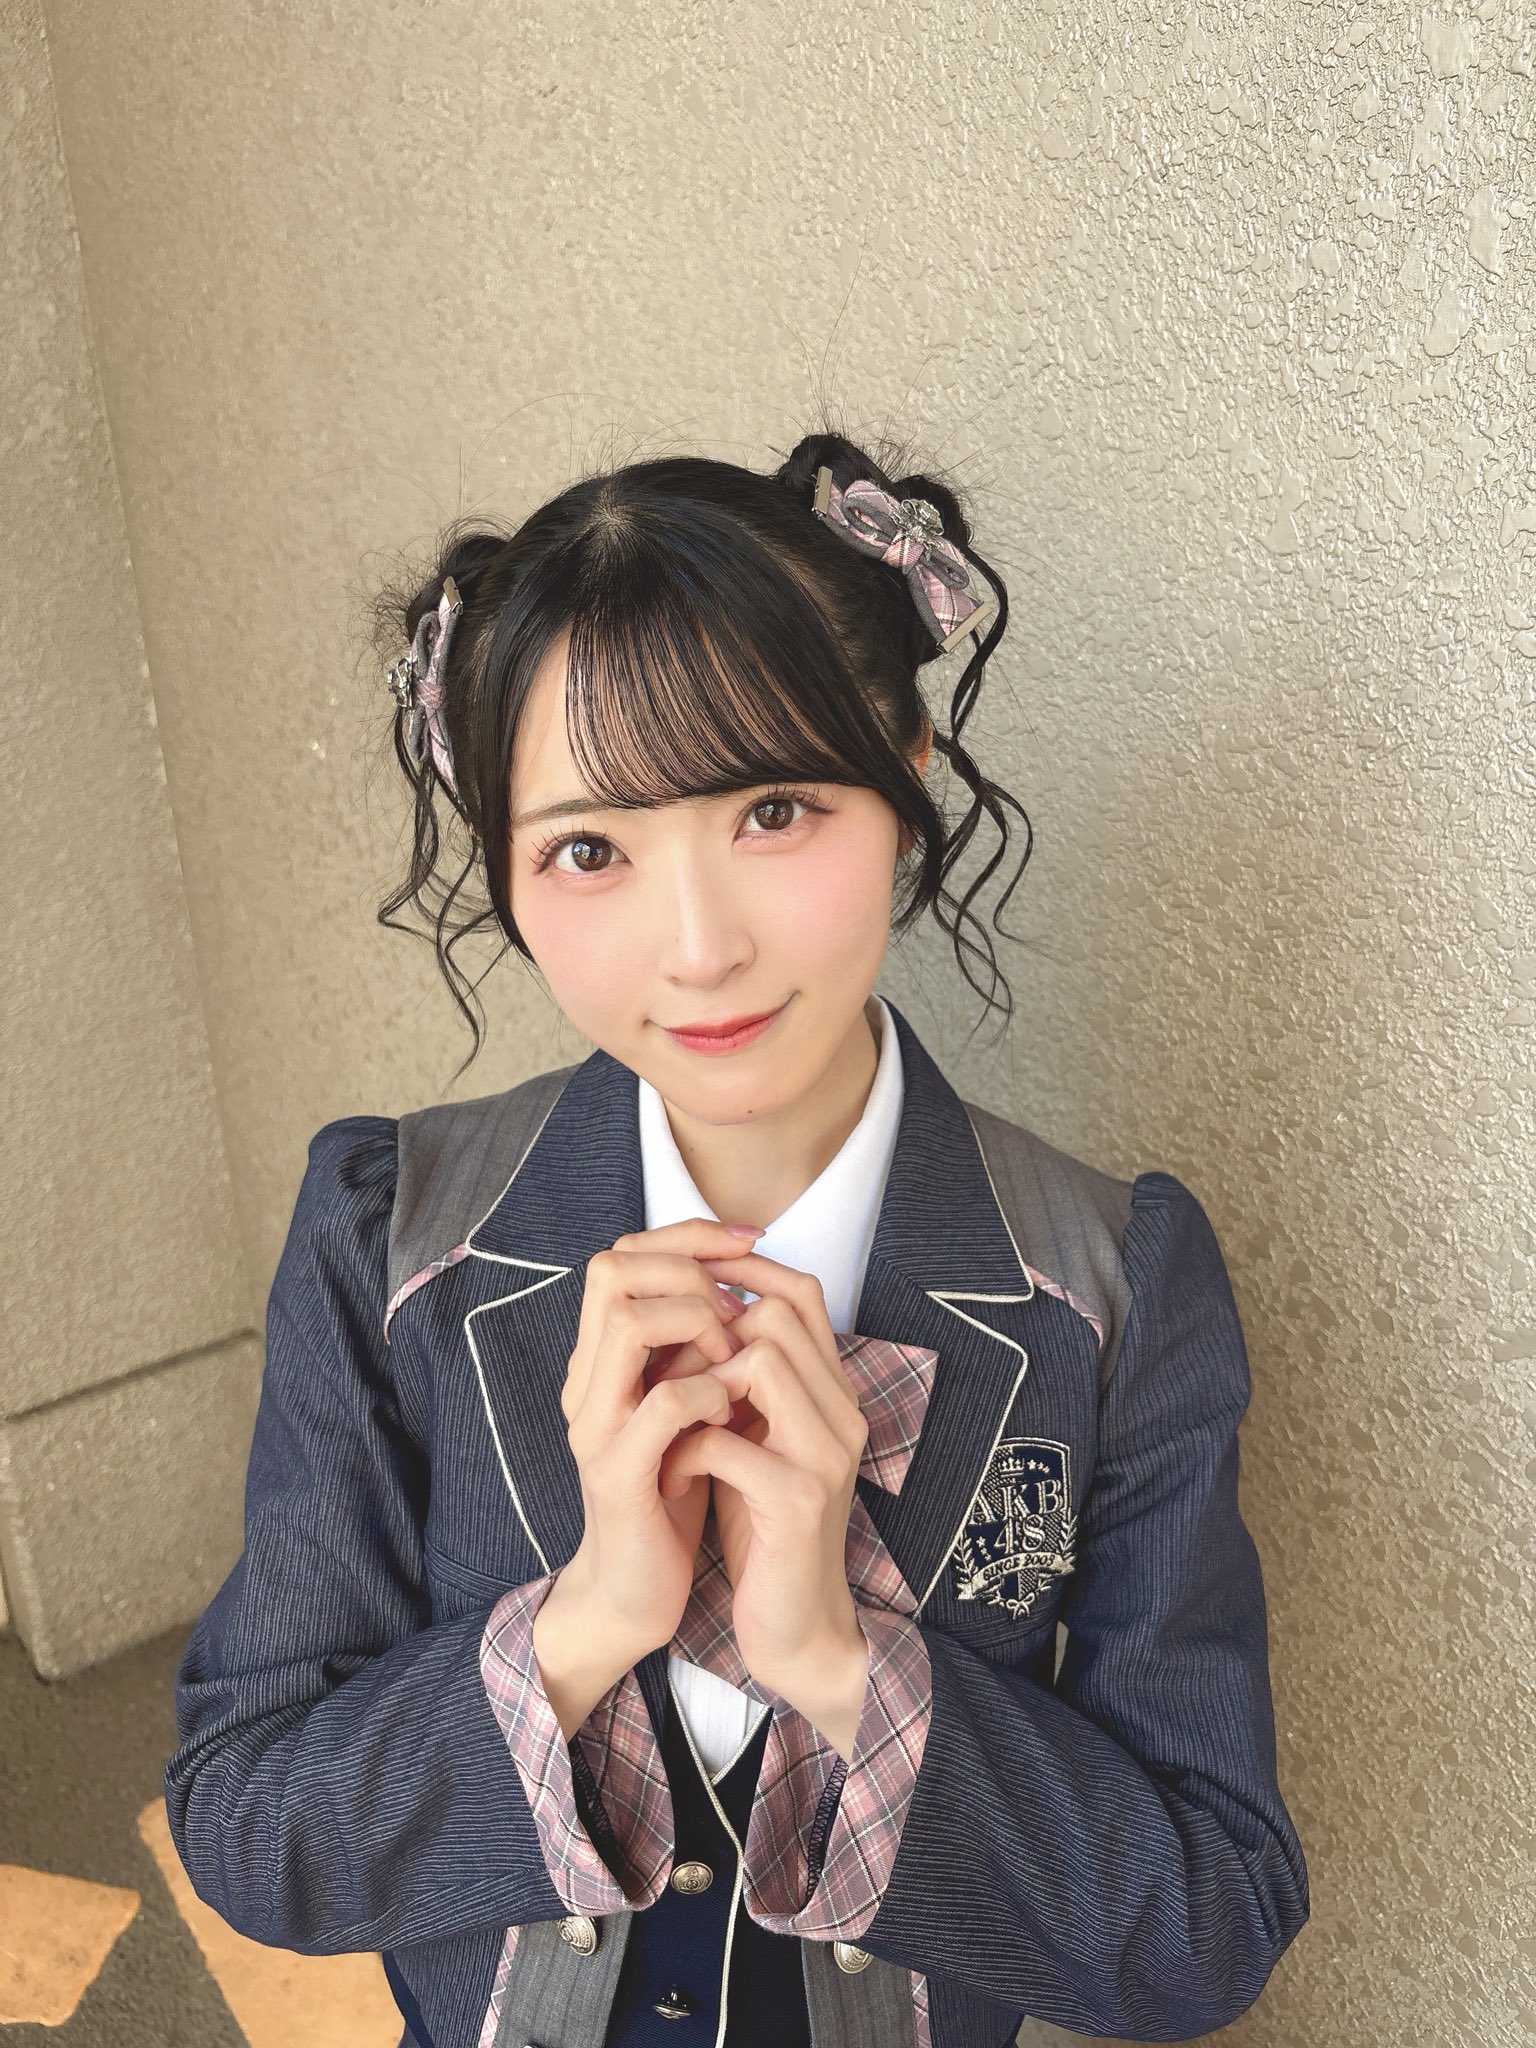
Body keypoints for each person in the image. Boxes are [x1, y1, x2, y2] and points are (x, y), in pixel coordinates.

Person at [163, 429, 1309, 2048]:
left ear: (906, 768)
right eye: (588, 850)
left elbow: (1206, 1923)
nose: (698, 948)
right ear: (502, 859)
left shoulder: (1110, 1288)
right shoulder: (392, 1242)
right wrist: (585, 1625)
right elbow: (248, 1823)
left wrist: (843, 1667)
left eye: (774, 810)